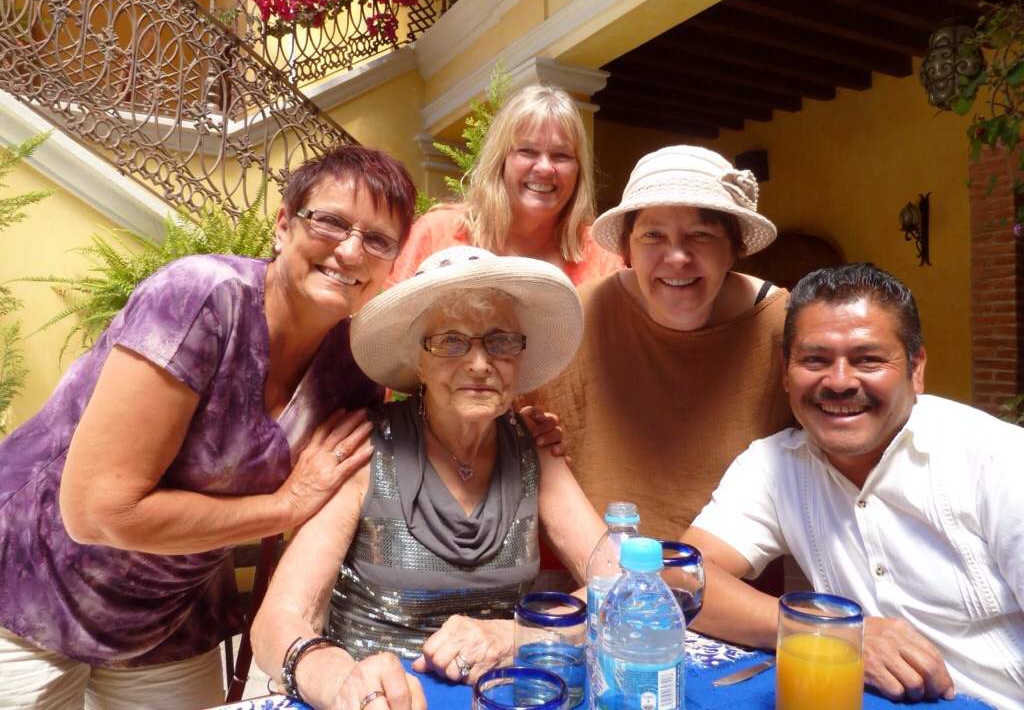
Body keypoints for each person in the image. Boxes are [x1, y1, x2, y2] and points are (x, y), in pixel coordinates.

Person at [0, 145, 419, 710]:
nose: (350, 250)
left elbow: (358, 484)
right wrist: (284, 505)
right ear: (283, 225)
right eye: (330, 222)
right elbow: (99, 510)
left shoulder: (355, 366)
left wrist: (513, 433)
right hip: (28, 586)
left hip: (168, 616)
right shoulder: (201, 297)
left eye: (377, 240)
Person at [250, 246, 606, 710]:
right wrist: (339, 681)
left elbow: (622, 584)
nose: (479, 363)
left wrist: (517, 635)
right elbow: (276, 621)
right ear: (417, 360)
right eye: (451, 341)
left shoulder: (533, 447)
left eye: (499, 341)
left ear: (519, 357)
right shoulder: (364, 448)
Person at [682, 262, 1024, 709]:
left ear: (916, 368)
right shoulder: (774, 466)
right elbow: (680, 578)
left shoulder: (998, 461)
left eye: (868, 359)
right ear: (786, 372)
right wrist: (829, 632)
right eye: (814, 359)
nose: (840, 382)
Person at [523, 145, 793, 548]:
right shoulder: (577, 318)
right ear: (627, 249)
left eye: (701, 234)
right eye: (653, 235)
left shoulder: (781, 325)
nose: (678, 256)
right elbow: (523, 439)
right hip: (594, 568)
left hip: (740, 575)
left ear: (734, 248)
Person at [385, 83, 624, 287]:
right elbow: (388, 320)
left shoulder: (603, 256)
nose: (544, 168)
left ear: (578, 169)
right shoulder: (437, 233)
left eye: (561, 155)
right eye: (527, 151)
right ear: (500, 160)